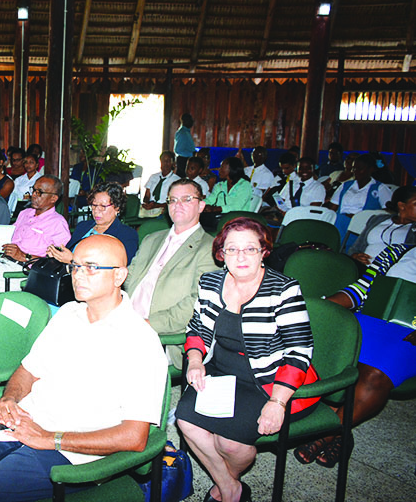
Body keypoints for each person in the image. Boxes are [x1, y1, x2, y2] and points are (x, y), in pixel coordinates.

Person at [0, 234, 167, 502]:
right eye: (76, 266)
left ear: (119, 276)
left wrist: (51, 439)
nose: (78, 276)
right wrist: (9, 399)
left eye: (91, 267)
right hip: (24, 423)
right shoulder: (68, 314)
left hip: (72, 451)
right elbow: (28, 370)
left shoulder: (140, 341)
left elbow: (134, 437)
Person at [176, 217, 320, 502]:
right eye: (232, 249)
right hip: (221, 371)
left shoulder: (283, 288)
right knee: (186, 421)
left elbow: (299, 350)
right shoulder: (210, 281)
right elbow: (198, 329)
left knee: (229, 442)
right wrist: (195, 360)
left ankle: (225, 488)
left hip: (269, 380)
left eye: (249, 249)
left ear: (263, 251)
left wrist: (277, 403)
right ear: (221, 253)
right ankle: (231, 488)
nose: (240, 256)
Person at [294, 243, 416, 468]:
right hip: (370, 320)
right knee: (328, 351)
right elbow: (361, 290)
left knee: (375, 374)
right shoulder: (398, 251)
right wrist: (319, 306)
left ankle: (329, 431)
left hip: (410, 334)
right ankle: (343, 430)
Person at [123, 179, 217, 365]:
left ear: (201, 206)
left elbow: (196, 304)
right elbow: (127, 279)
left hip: (162, 335)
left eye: (186, 199)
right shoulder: (152, 239)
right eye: (172, 200)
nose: (178, 205)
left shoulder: (209, 248)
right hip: (126, 320)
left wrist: (146, 325)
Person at [47, 182, 139, 266]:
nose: (96, 211)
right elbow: (69, 252)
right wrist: (57, 254)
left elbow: (117, 267)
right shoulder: (83, 226)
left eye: (103, 206)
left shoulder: (127, 234)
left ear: (117, 208)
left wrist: (73, 260)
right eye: (94, 205)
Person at [327, 153, 393, 240]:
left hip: (362, 225)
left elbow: (388, 211)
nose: (355, 171)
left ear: (371, 169)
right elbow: (333, 207)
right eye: (354, 168)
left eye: (360, 169)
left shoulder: (380, 188)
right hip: (341, 221)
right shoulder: (345, 185)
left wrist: (362, 217)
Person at [347, 185, 416, 264]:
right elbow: (354, 248)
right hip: (361, 266)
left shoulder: (413, 230)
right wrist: (356, 256)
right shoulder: (378, 220)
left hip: (390, 271)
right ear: (402, 206)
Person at [174, 113, 196, 177]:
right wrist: (191, 153)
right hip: (183, 160)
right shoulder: (182, 133)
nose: (192, 122)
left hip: (187, 159)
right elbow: (178, 150)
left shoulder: (186, 132)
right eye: (189, 120)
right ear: (183, 121)